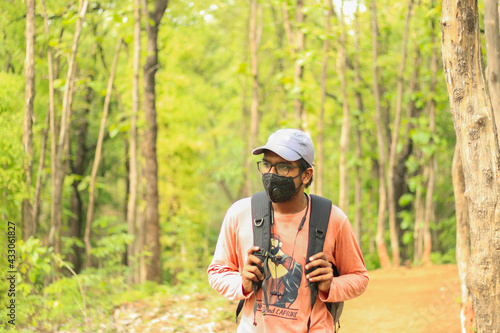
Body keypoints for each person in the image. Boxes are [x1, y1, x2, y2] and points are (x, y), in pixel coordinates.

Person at [207, 129, 369, 332]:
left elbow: (359, 277)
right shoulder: (240, 213)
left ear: (306, 174)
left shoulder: (332, 219)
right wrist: (243, 283)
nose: (271, 174)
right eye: (267, 164)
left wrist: (330, 285)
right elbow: (217, 271)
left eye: (283, 167)